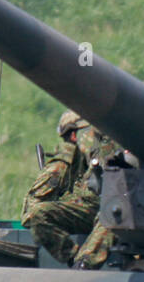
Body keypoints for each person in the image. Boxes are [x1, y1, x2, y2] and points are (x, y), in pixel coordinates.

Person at [21, 111, 99, 265]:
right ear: (74, 136)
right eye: (88, 132)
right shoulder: (61, 166)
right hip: (80, 219)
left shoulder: (88, 160)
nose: (93, 137)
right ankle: (77, 259)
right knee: (39, 213)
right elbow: (31, 212)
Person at [70, 126, 123, 269]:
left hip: (121, 203)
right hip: (91, 201)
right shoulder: (92, 139)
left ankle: (84, 264)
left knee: (112, 215)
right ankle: (72, 258)